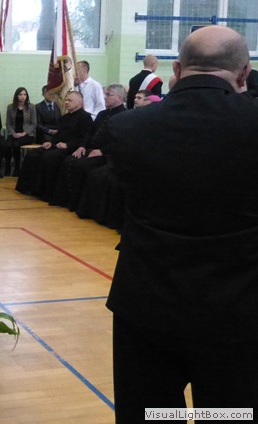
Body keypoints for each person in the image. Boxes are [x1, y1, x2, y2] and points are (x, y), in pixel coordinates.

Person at [103, 25, 258, 419]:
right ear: (244, 73)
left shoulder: (126, 128)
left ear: (176, 69)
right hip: (238, 311)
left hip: (147, 306)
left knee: (150, 415)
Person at [49, 83, 127, 210]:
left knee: (81, 165)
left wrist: (102, 151)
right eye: (105, 94)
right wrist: (82, 146)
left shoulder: (125, 115)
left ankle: (80, 204)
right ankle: (66, 200)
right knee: (69, 160)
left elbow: (121, 140)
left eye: (109, 95)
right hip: (91, 149)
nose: (105, 97)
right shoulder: (102, 114)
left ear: (119, 97)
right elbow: (90, 133)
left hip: (108, 154)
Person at [15, 90, 92, 198]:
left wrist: (68, 145)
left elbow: (85, 138)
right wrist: (51, 143)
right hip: (58, 145)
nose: (66, 102)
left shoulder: (85, 117)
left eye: (70, 100)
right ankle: (28, 187)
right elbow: (59, 134)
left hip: (71, 148)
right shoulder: (65, 117)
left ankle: (45, 192)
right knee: (33, 154)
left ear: (79, 102)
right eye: (66, 100)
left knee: (49, 157)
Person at [3, 87, 37, 176]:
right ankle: (7, 167)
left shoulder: (31, 107)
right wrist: (13, 133)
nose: (23, 96)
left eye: (25, 94)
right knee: (7, 145)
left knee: (16, 145)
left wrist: (24, 133)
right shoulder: (10, 107)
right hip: (14, 133)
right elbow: (8, 123)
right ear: (16, 96)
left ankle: (17, 168)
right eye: (20, 94)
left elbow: (34, 124)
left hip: (27, 134)